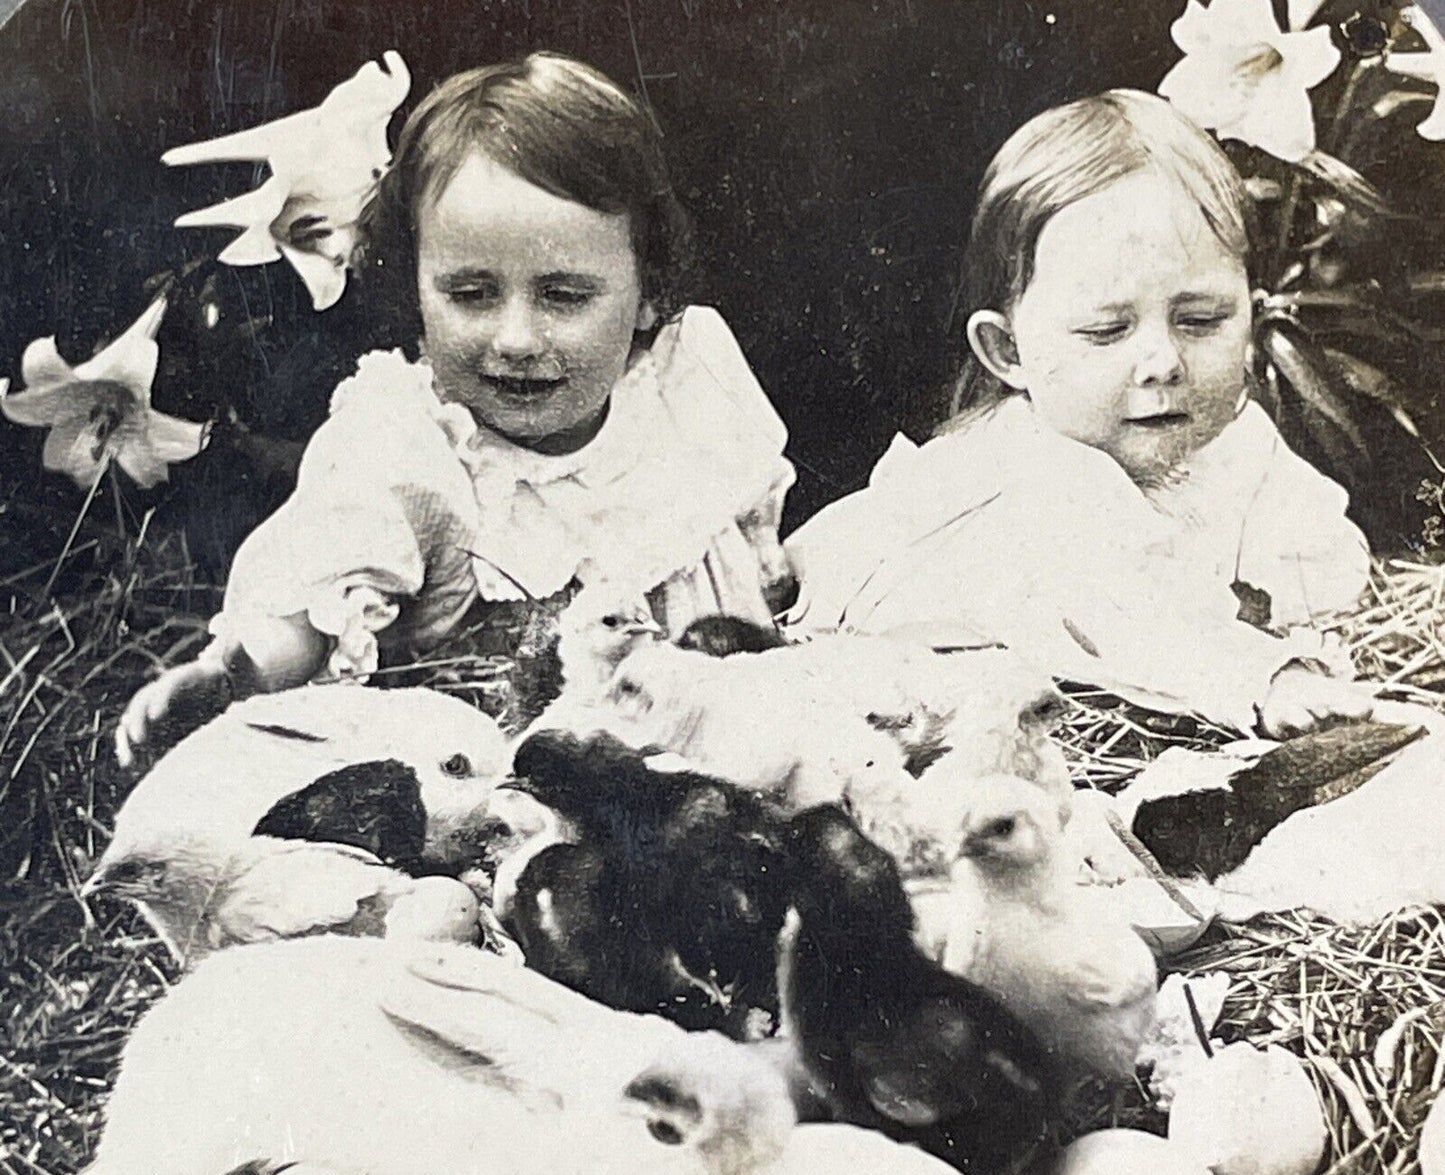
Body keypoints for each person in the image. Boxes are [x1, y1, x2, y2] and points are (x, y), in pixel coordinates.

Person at [117, 52, 795, 765]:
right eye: (470, 294)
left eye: (564, 296)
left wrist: (773, 595)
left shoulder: (682, 376)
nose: (515, 340)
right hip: (523, 777)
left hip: (725, 727)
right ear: (415, 289)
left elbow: (757, 538)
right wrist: (233, 673)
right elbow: (317, 599)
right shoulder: (411, 441)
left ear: (647, 292)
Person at [786, 89, 1373, 737]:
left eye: (1200, 320)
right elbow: (1121, 603)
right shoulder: (1040, 469)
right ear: (1007, 351)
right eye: (1104, 331)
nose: (1161, 362)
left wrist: (1283, 590)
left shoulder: (1232, 438)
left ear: (1251, 315)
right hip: (912, 671)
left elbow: (1323, 546)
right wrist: (1266, 674)